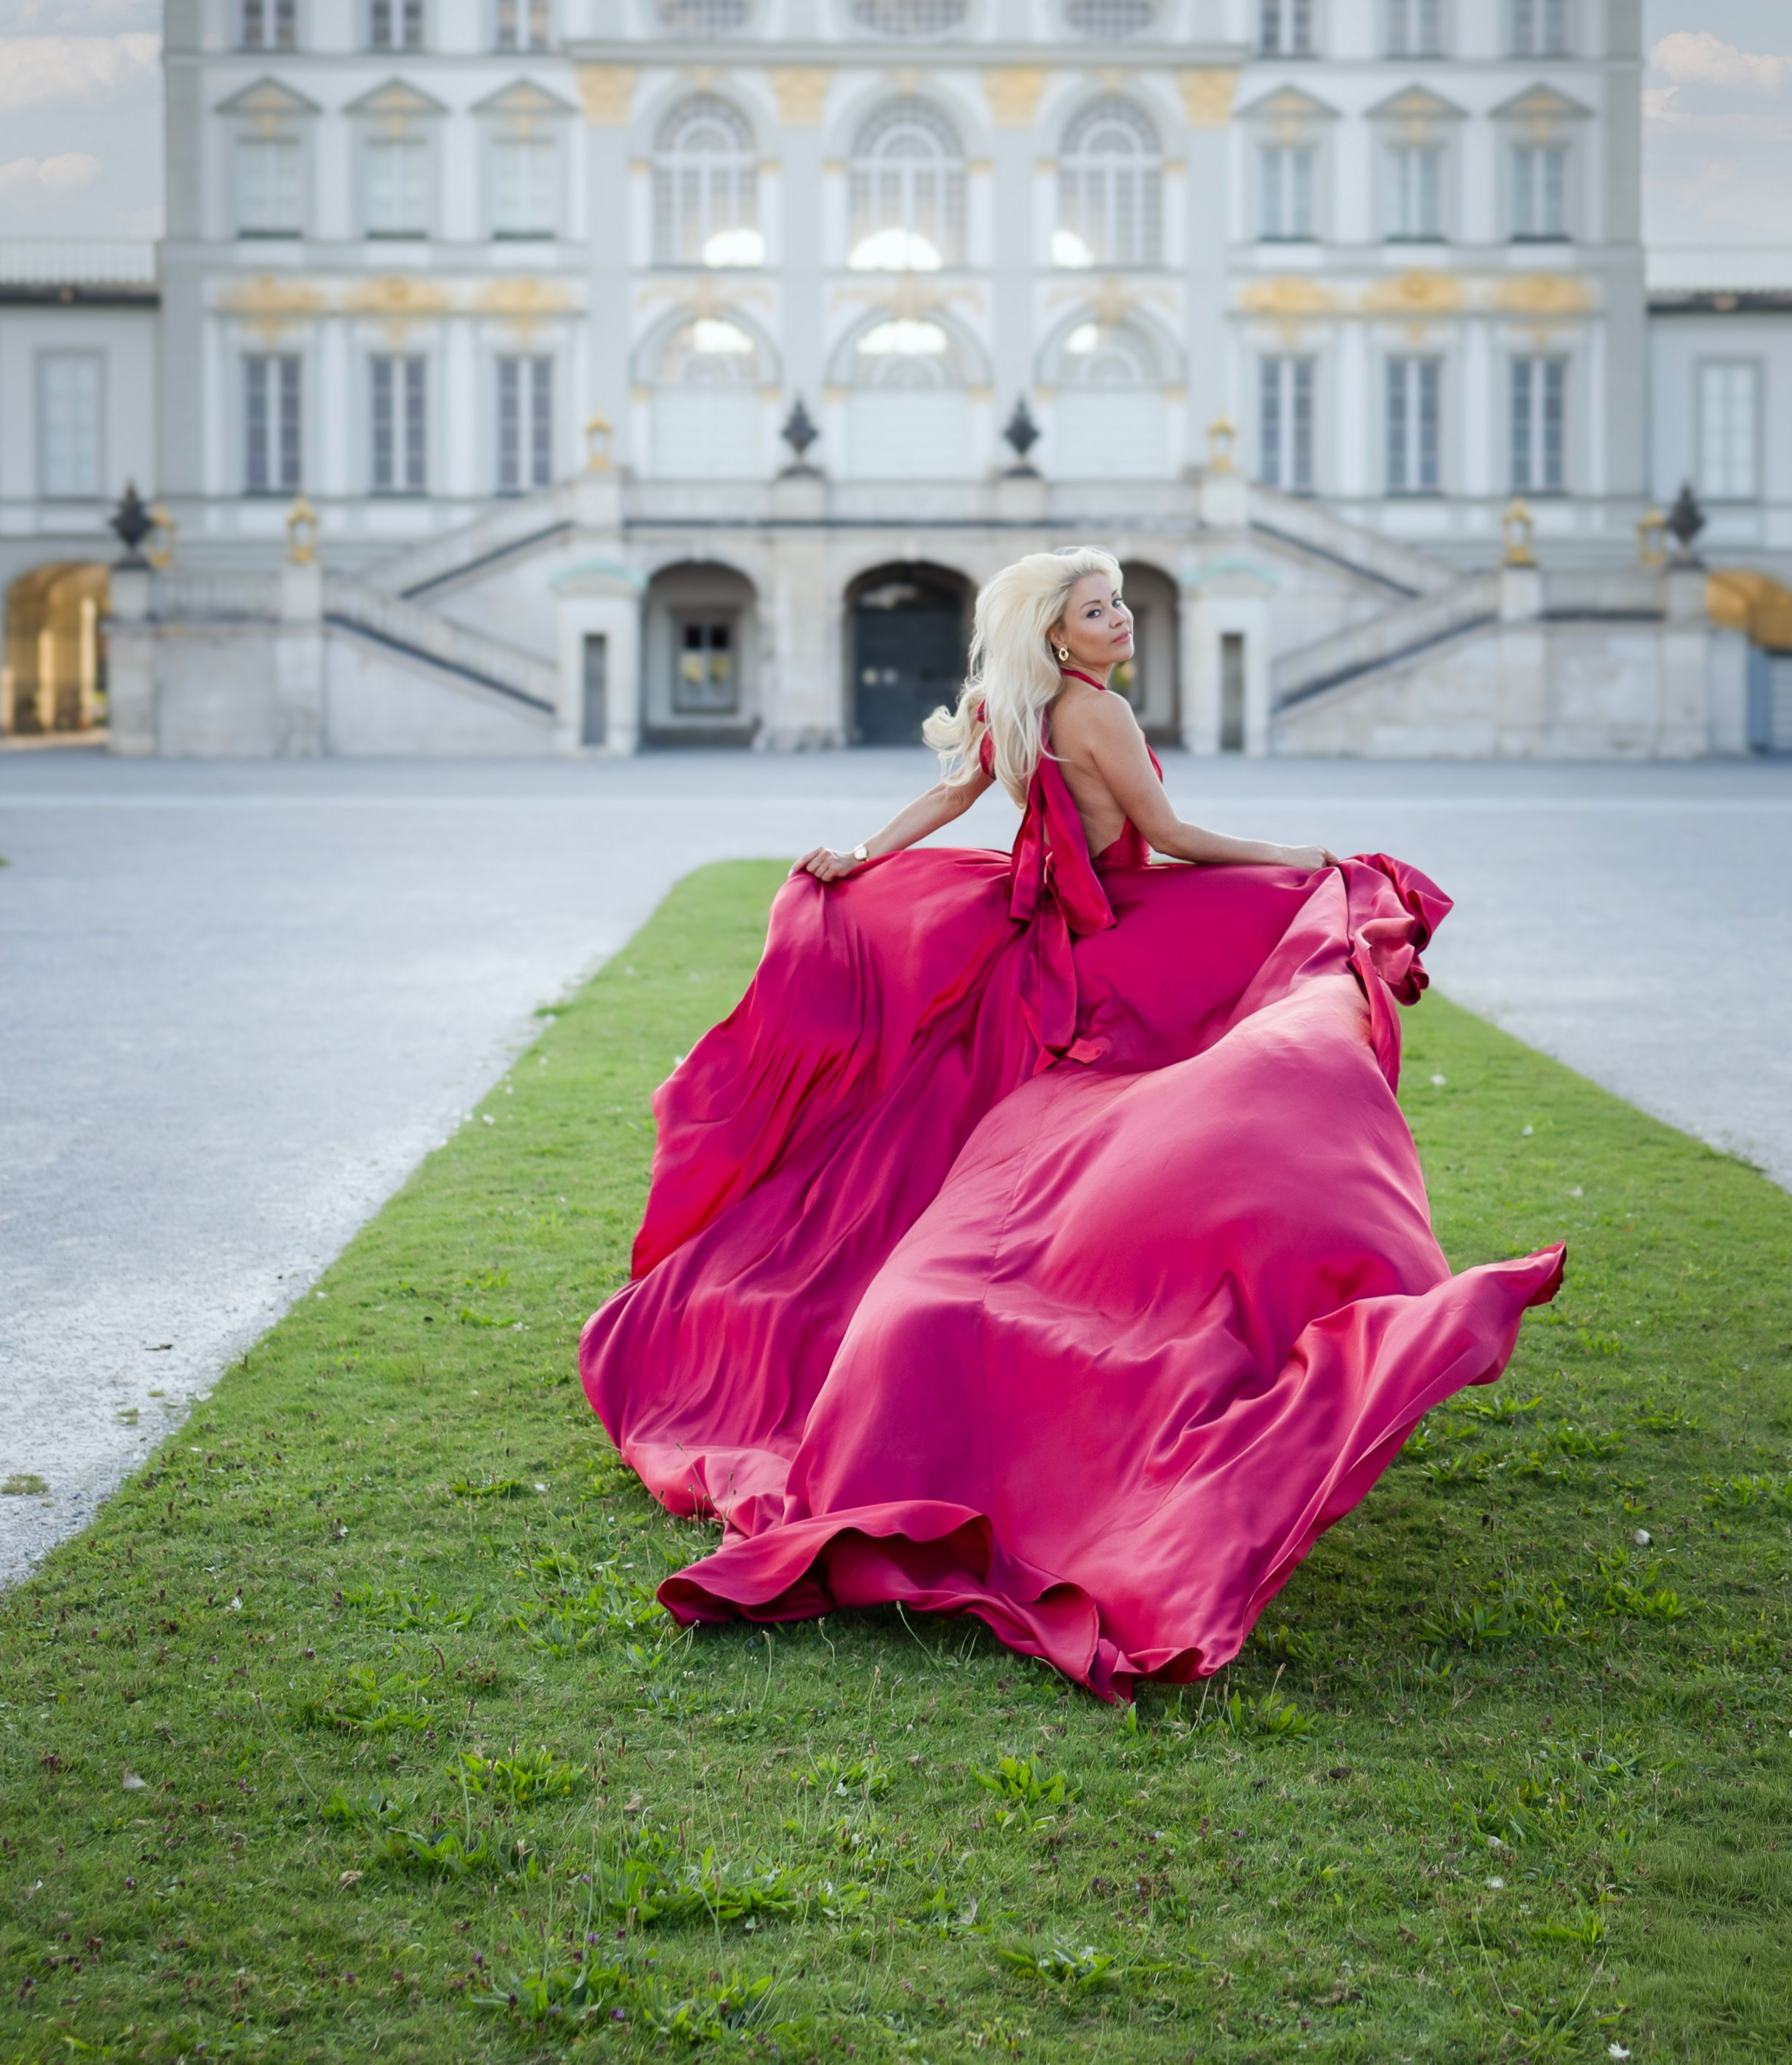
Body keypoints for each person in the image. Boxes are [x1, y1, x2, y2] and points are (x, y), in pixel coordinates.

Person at [580, 546, 1562, 1702]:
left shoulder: (1017, 704)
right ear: (1059, 635)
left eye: (1120, 604)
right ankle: (1167, 1306)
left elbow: (952, 799)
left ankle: (1070, 1303)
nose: (1122, 619)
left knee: (966, 1142)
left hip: (1041, 928)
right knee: (1252, 1042)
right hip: (1102, 947)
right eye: (1100, 609)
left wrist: (865, 854)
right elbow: (1176, 838)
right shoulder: (1090, 713)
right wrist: (1303, 861)